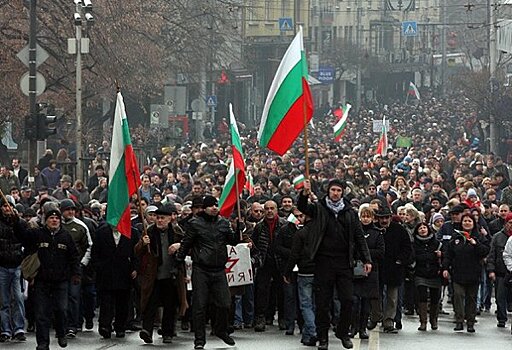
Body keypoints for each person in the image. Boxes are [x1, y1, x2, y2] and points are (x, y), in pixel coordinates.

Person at [298, 179, 371, 350]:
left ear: (343, 192)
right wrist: (304, 193)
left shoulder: (350, 212)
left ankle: (343, 332)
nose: (335, 193)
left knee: (347, 300)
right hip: (324, 262)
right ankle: (323, 337)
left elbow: (359, 236)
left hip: (344, 262)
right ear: (328, 191)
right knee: (323, 303)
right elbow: (302, 207)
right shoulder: (319, 208)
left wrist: (367, 259)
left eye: (338, 190)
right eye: (333, 190)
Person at [175, 196, 240, 350]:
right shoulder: (195, 223)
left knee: (225, 303)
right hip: (201, 269)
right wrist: (178, 263)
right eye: (211, 205)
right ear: (204, 208)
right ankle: (199, 340)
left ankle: (220, 330)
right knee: (199, 306)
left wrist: (238, 228)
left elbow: (233, 241)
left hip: (219, 269)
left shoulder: (223, 223)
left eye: (216, 205)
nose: (214, 208)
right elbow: (186, 244)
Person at [13, 203, 81, 350]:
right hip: (41, 281)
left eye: (57, 218)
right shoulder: (38, 234)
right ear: (46, 220)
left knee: (61, 310)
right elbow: (23, 236)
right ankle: (43, 343)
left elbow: (74, 256)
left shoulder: (66, 236)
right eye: (51, 218)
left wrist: (76, 274)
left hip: (61, 281)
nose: (54, 220)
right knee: (41, 314)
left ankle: (61, 332)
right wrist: (16, 220)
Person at [135, 203, 185, 344]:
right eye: (157, 218)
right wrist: (143, 244)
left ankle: (167, 332)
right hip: (154, 275)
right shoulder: (149, 231)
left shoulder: (176, 232)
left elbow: (188, 245)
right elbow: (137, 251)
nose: (159, 220)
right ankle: (147, 331)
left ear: (170, 218)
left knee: (170, 305)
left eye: (162, 218)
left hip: (171, 275)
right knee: (150, 304)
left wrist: (179, 245)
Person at [442, 214, 489, 332]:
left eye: (469, 221)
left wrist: (475, 244)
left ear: (473, 223)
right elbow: (448, 254)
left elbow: (485, 251)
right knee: (458, 296)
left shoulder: (479, 237)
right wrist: (445, 268)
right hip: (458, 273)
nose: (467, 223)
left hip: (473, 273)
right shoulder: (456, 237)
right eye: (465, 221)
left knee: (471, 299)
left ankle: (470, 322)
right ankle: (459, 320)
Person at [91, 222, 137, 339]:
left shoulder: (132, 232)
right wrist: (99, 267)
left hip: (124, 273)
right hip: (106, 273)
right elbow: (95, 253)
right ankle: (105, 326)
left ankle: (120, 326)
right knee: (106, 301)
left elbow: (136, 253)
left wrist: (135, 268)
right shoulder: (101, 233)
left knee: (123, 302)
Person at [372, 206, 412, 333]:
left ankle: (388, 321)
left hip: (394, 268)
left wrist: (400, 260)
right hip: (376, 266)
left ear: (390, 217)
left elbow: (407, 248)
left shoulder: (399, 230)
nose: (384, 220)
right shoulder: (373, 229)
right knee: (374, 295)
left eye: (386, 217)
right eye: (382, 218)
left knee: (392, 297)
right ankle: (375, 317)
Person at [251, 200, 287, 332]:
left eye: (272, 208)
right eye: (267, 209)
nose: (269, 211)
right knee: (261, 291)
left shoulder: (284, 225)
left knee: (282, 291)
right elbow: (254, 245)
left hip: (280, 262)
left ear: (277, 210)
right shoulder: (259, 226)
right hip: (264, 262)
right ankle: (260, 317)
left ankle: (283, 318)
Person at [350, 204, 384, 340]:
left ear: (373, 218)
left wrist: (366, 253)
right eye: (363, 216)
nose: (365, 219)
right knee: (354, 301)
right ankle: (353, 327)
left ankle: (363, 328)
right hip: (355, 269)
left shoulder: (377, 233)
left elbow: (381, 252)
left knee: (366, 302)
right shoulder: (354, 232)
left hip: (371, 271)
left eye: (368, 216)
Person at [283, 208, 316, 346]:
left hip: (305, 272)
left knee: (306, 304)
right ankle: (309, 334)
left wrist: (287, 272)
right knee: (316, 304)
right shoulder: (321, 233)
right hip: (320, 271)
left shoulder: (300, 234)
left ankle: (312, 331)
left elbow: (294, 255)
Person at [0, 195, 25, 342]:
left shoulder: (18, 222)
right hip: (2, 266)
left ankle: (19, 328)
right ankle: (5, 330)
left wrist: (17, 221)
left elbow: (24, 235)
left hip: (16, 266)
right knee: (4, 301)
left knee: (18, 298)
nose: (7, 209)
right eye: (4, 206)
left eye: (9, 206)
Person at [412, 222, 442, 331]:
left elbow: (445, 256)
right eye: (420, 228)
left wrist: (440, 255)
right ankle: (423, 321)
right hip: (420, 273)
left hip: (435, 273)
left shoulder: (437, 243)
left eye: (424, 227)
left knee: (435, 297)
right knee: (422, 296)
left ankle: (433, 319)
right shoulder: (414, 244)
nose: (423, 230)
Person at [486, 212, 512, 328]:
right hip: (501, 272)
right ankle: (502, 319)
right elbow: (492, 255)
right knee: (500, 297)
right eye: (510, 223)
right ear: (505, 223)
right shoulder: (497, 237)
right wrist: (491, 270)